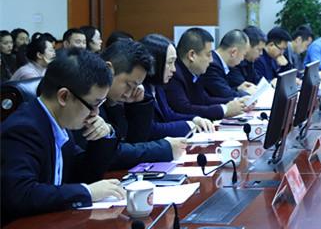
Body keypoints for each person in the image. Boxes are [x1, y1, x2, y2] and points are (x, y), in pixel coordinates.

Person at [1, 50, 124, 222]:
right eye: (93, 104)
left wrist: (104, 136)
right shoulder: (23, 130)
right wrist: (87, 192)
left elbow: (83, 174)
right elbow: (21, 194)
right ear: (64, 96)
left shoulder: (57, 123)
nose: (96, 113)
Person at [73, 40, 184, 169]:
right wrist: (163, 149)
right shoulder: (84, 96)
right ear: (109, 70)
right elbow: (109, 156)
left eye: (135, 87)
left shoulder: (112, 100)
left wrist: (137, 106)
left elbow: (132, 142)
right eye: (129, 85)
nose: (130, 93)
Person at [164, 27, 249, 120]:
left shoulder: (193, 72)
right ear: (192, 55)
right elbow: (184, 109)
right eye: (208, 54)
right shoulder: (174, 74)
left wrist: (236, 101)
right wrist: (224, 110)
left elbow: (204, 100)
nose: (211, 60)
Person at [140, 34, 214, 139]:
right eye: (170, 62)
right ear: (154, 63)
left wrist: (194, 119)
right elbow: (151, 130)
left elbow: (169, 115)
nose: (174, 69)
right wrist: (188, 126)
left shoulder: (157, 86)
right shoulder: (140, 89)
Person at [199, 29, 253, 98]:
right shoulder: (212, 65)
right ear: (233, 52)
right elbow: (225, 95)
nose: (243, 59)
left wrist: (238, 89)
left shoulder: (219, 62)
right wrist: (248, 93)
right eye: (244, 55)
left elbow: (222, 90)